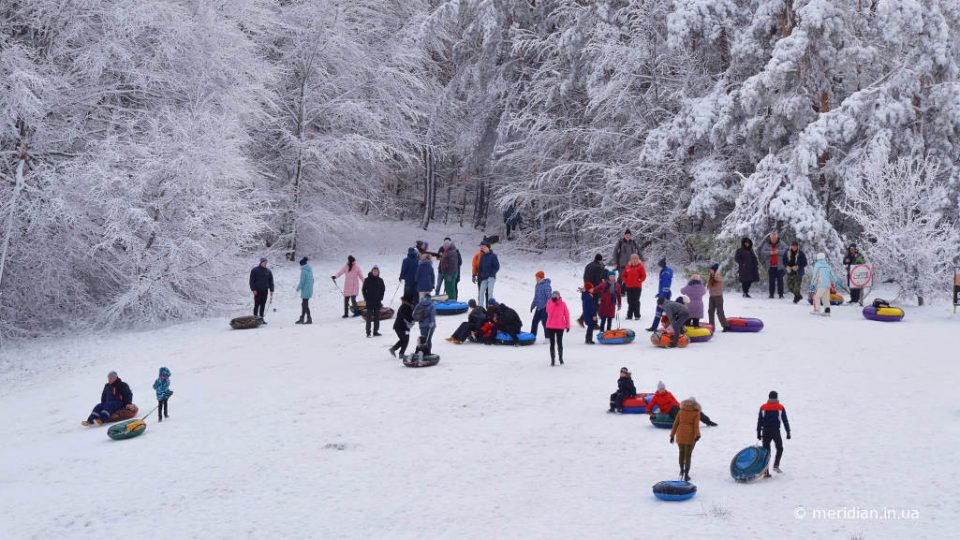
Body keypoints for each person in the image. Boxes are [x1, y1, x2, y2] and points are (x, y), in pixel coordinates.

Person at [647, 381, 717, 426]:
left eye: (663, 388)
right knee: (680, 414)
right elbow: (649, 407)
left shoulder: (669, 393)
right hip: (669, 410)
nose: (662, 390)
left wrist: (680, 406)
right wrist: (651, 414)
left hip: (677, 406)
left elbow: (675, 401)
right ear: (658, 389)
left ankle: (708, 421)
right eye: (660, 389)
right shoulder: (656, 397)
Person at [757, 390, 791, 476]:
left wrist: (758, 432)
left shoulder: (763, 407)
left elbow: (759, 421)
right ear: (776, 398)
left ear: (769, 397)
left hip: (765, 431)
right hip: (775, 431)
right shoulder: (780, 407)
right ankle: (776, 465)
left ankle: (766, 472)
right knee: (780, 448)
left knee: (766, 451)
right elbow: (785, 421)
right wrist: (788, 432)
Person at [670, 397, 702, 481]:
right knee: (688, 455)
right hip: (690, 435)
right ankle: (686, 475)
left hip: (680, 434)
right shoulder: (696, 413)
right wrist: (698, 435)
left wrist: (672, 435)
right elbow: (696, 426)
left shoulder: (681, 410)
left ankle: (681, 471)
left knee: (681, 453)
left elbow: (675, 423)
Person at [646, 258, 674, 332]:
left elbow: (666, 286)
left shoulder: (665, 273)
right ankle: (655, 326)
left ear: (662, 265)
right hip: (664, 294)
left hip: (665, 296)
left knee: (662, 311)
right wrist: (660, 294)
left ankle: (668, 327)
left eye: (659, 266)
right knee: (662, 311)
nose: (658, 267)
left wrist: (662, 296)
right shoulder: (664, 271)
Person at [544, 290, 570, 366]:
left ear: (559, 296)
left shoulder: (563, 304)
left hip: (560, 326)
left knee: (559, 343)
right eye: (553, 295)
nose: (554, 296)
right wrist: (553, 302)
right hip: (551, 326)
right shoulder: (549, 302)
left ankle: (561, 359)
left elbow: (567, 315)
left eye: (556, 295)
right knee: (552, 344)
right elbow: (548, 311)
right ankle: (552, 360)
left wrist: (568, 325)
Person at [758, 231, 786, 299]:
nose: (773, 239)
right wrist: (770, 252)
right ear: (770, 238)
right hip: (771, 266)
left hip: (779, 266)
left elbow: (786, 251)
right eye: (772, 238)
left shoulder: (781, 243)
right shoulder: (766, 244)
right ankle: (771, 294)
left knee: (780, 281)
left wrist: (778, 252)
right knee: (771, 281)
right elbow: (762, 252)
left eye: (775, 238)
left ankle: (781, 295)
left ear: (777, 238)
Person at [388, 293, 416, 358]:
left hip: (401, 327)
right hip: (400, 327)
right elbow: (407, 317)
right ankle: (401, 354)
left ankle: (393, 349)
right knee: (405, 339)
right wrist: (413, 319)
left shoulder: (406, 306)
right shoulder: (404, 307)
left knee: (403, 339)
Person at [362, 265, 386, 337]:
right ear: (372, 271)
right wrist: (366, 298)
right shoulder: (367, 280)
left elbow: (383, 289)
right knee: (369, 317)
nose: (375, 272)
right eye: (374, 271)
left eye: (376, 271)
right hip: (369, 302)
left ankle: (375, 331)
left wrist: (381, 297)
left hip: (377, 301)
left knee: (377, 317)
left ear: (378, 272)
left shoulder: (380, 280)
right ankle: (368, 332)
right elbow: (363, 290)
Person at [249, 257, 275, 323]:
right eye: (264, 262)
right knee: (256, 305)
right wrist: (253, 289)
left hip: (265, 291)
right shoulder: (254, 270)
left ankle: (261, 319)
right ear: (261, 262)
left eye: (266, 262)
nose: (265, 263)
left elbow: (271, 281)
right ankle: (255, 318)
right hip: (257, 291)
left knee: (263, 305)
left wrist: (271, 290)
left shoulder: (268, 271)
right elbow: (251, 281)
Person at [621, 254, 646, 320]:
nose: (634, 260)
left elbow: (643, 276)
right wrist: (626, 281)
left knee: (636, 301)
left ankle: (637, 315)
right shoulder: (627, 267)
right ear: (631, 260)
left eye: (635, 259)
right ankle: (629, 315)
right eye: (633, 259)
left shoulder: (640, 267)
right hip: (629, 287)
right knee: (630, 301)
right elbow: (623, 276)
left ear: (638, 259)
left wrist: (640, 280)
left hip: (637, 287)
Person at [529, 271, 552, 338]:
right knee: (534, 322)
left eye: (537, 277)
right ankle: (532, 336)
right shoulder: (537, 285)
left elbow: (549, 297)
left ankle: (548, 337)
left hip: (544, 307)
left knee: (545, 323)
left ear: (541, 277)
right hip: (538, 307)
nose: (536, 279)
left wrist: (547, 306)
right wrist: (533, 305)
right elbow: (536, 297)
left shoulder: (546, 285)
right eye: (536, 277)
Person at [706, 263, 729, 331]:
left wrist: (715, 273)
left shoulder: (718, 275)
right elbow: (709, 286)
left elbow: (720, 280)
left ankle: (725, 326)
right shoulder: (711, 276)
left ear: (715, 270)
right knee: (710, 311)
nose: (710, 271)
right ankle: (711, 326)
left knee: (719, 312)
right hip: (712, 296)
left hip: (718, 296)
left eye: (711, 270)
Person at [477, 241, 500, 305]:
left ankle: (490, 307)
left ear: (487, 247)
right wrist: (479, 276)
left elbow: (497, 267)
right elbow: (480, 268)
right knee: (481, 292)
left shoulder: (493, 256)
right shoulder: (482, 256)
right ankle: (480, 307)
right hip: (483, 278)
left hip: (491, 278)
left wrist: (491, 275)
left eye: (483, 247)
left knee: (490, 293)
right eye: (481, 247)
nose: (482, 248)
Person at [295, 256, 314, 324]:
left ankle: (309, 318)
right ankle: (302, 318)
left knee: (304, 304)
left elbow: (302, 282)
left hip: (305, 290)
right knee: (304, 304)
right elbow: (313, 280)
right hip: (309, 289)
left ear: (302, 264)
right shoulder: (310, 270)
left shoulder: (303, 271)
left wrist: (297, 289)